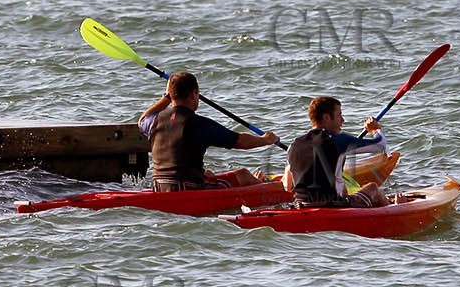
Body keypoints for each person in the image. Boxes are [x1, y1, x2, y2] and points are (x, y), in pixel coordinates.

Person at [139, 71, 278, 192]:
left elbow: (142, 120)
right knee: (243, 175)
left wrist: (166, 97)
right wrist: (266, 140)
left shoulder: (154, 120)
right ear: (194, 94)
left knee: (208, 174)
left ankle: (258, 182)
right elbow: (239, 141)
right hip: (190, 189)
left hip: (159, 187)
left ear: (171, 95)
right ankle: (267, 187)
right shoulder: (198, 124)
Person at [284, 96, 389, 208]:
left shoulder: (294, 146)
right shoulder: (338, 140)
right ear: (326, 117)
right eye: (339, 115)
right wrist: (375, 130)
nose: (343, 120)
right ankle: (390, 211)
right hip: (332, 206)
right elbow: (380, 145)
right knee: (372, 188)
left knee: (343, 189)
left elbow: (287, 186)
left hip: (301, 206)